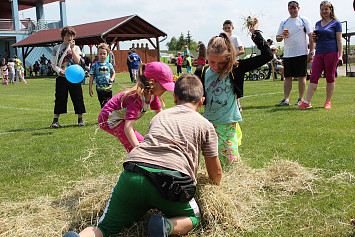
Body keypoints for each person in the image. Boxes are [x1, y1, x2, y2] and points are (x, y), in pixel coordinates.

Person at [63, 74, 222, 237]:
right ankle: (164, 226)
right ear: (202, 101)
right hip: (171, 182)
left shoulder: (160, 117)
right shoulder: (206, 125)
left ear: (174, 98)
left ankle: (80, 236)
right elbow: (215, 172)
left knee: (104, 227)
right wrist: (216, 185)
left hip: (134, 174)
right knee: (193, 217)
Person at [195, 22, 272, 170]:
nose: (216, 67)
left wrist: (255, 33)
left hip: (228, 123)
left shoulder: (236, 68)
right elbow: (192, 96)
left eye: (221, 62)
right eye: (212, 62)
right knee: (212, 162)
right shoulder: (202, 72)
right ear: (207, 57)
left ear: (229, 58)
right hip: (208, 125)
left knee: (230, 163)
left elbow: (267, 55)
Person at [98, 61, 174, 152]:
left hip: (118, 118)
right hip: (109, 119)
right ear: (152, 82)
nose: (166, 89)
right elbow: (128, 128)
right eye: (164, 85)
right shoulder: (135, 98)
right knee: (142, 145)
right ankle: (139, 159)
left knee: (133, 146)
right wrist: (140, 151)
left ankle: (134, 161)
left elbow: (160, 116)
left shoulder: (153, 95)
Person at [297, 1, 343, 109]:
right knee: (314, 76)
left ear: (331, 10)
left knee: (330, 76)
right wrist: (314, 38)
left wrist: (340, 56)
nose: (324, 11)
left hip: (331, 52)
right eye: (322, 9)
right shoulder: (318, 23)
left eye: (326, 9)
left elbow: (339, 40)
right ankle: (307, 102)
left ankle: (328, 102)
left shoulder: (336, 23)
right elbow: (316, 40)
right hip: (319, 53)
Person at [276, 0, 314, 106]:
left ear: (298, 8)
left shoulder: (303, 20)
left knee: (302, 76)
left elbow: (311, 36)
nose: (292, 10)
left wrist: (311, 52)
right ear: (288, 9)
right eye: (290, 8)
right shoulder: (284, 22)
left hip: (301, 53)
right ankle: (286, 99)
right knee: (287, 77)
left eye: (294, 8)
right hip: (288, 54)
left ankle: (301, 99)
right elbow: (278, 38)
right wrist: (282, 35)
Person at [50, 26, 86, 128]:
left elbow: (78, 61)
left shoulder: (77, 47)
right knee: (60, 98)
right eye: (67, 35)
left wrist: (72, 49)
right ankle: (55, 120)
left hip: (74, 77)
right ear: (63, 36)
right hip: (62, 77)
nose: (69, 37)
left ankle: (80, 119)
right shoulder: (56, 48)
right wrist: (59, 70)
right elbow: (53, 64)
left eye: (71, 35)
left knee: (78, 97)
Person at [223, 19, 245, 111]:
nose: (227, 30)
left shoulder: (235, 38)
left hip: (234, 64)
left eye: (229, 28)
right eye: (225, 28)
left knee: (234, 85)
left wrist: (232, 56)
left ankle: (238, 104)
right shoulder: (222, 39)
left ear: (232, 28)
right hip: (224, 64)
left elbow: (242, 50)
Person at [89, 43, 116, 108]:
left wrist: (112, 78)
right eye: (100, 53)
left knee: (109, 104)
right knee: (103, 105)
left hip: (109, 88)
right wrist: (90, 88)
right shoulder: (94, 65)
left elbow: (114, 73)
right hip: (100, 89)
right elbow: (91, 77)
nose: (102, 55)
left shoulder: (109, 65)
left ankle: (108, 117)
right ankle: (104, 117)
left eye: (104, 54)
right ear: (98, 54)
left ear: (107, 55)